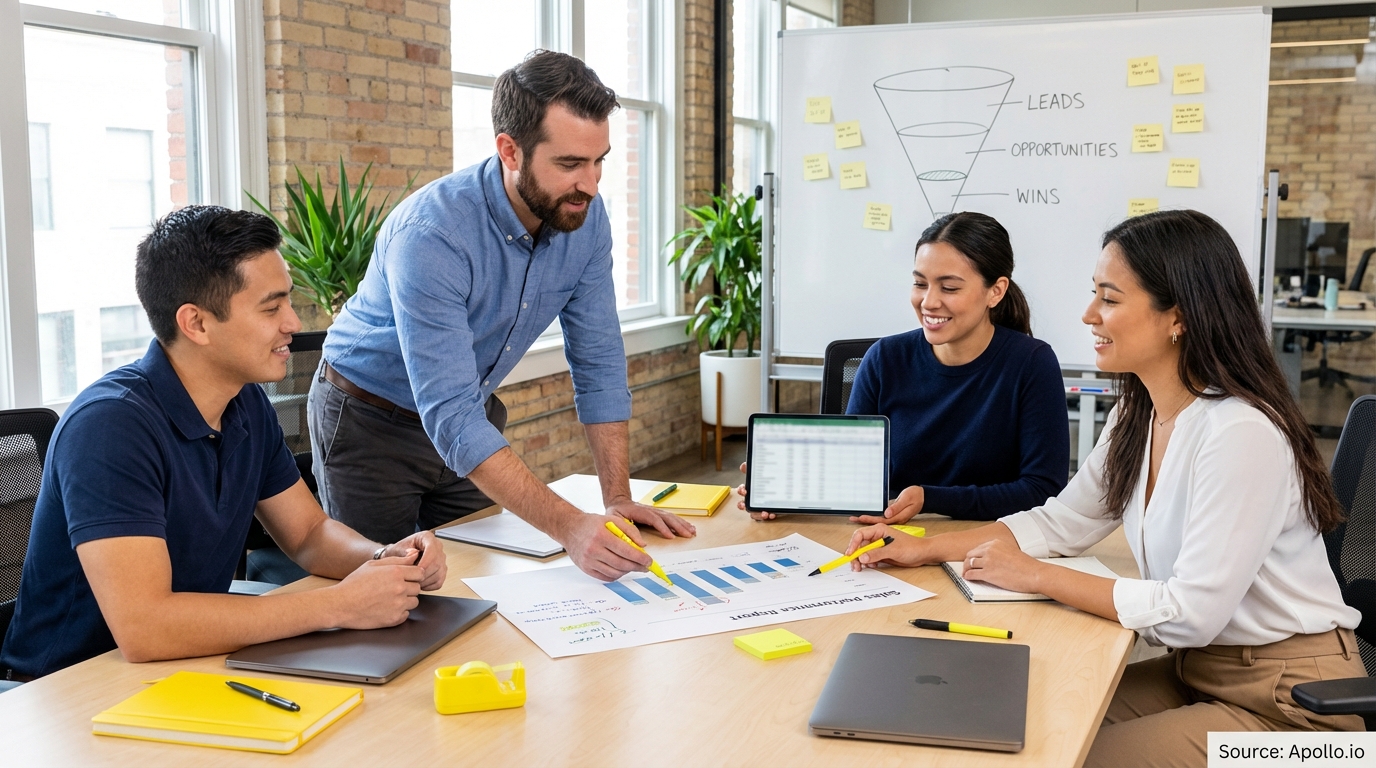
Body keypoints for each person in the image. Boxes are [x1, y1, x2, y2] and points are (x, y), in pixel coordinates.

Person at [845, 209, 1366, 765]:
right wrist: (926, 548)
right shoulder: (1137, 414)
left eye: (1110, 299)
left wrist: (1038, 575)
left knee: (1065, 758)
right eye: (1093, 294)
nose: (1089, 314)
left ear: (1178, 316)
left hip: (1297, 714)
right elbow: (1060, 522)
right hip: (1199, 671)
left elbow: (1189, 612)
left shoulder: (1240, 432)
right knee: (1018, 723)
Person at [1, 206, 448, 681]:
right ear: (196, 324)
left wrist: (384, 560)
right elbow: (146, 627)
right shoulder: (109, 427)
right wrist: (337, 606)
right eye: (271, 308)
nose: (293, 323)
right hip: (68, 689)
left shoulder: (245, 403)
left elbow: (308, 534)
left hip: (191, 667)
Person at [311, 50, 693, 583]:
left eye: (598, 159)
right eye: (569, 164)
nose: (591, 183)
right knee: (381, 599)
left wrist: (617, 498)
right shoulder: (433, 233)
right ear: (509, 150)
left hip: (468, 417)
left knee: (480, 586)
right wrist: (569, 527)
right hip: (369, 426)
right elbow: (450, 413)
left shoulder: (584, 214)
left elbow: (599, 358)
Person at [741, 211, 1069, 523]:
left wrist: (931, 498)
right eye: (920, 283)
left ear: (995, 291)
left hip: (986, 543)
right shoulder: (884, 358)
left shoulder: (1031, 364)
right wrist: (785, 493)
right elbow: (852, 475)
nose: (928, 302)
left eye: (949, 287)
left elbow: (1042, 490)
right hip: (889, 536)